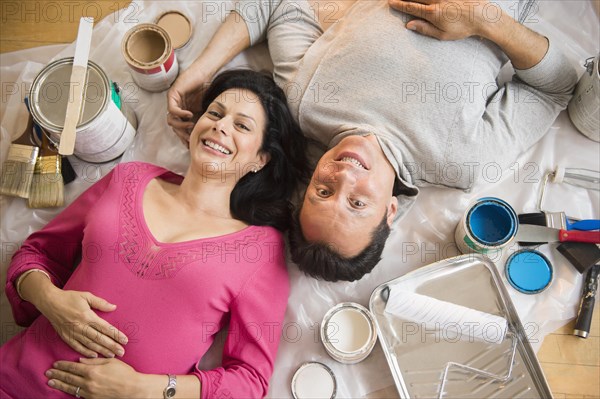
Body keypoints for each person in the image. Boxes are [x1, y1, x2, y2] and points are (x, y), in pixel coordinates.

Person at [167, 0, 578, 282]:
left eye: (323, 190)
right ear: (391, 210)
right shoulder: (461, 161)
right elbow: (557, 86)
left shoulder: (306, 103)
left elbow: (282, 6)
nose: (345, 175)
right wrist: (487, 20)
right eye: (357, 203)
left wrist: (202, 72)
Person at [0, 69, 308, 398]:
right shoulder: (128, 179)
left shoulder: (260, 250)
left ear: (260, 159)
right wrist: (51, 301)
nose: (220, 125)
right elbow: (36, 254)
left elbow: (250, 380)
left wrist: (146, 389)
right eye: (215, 113)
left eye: (242, 125)